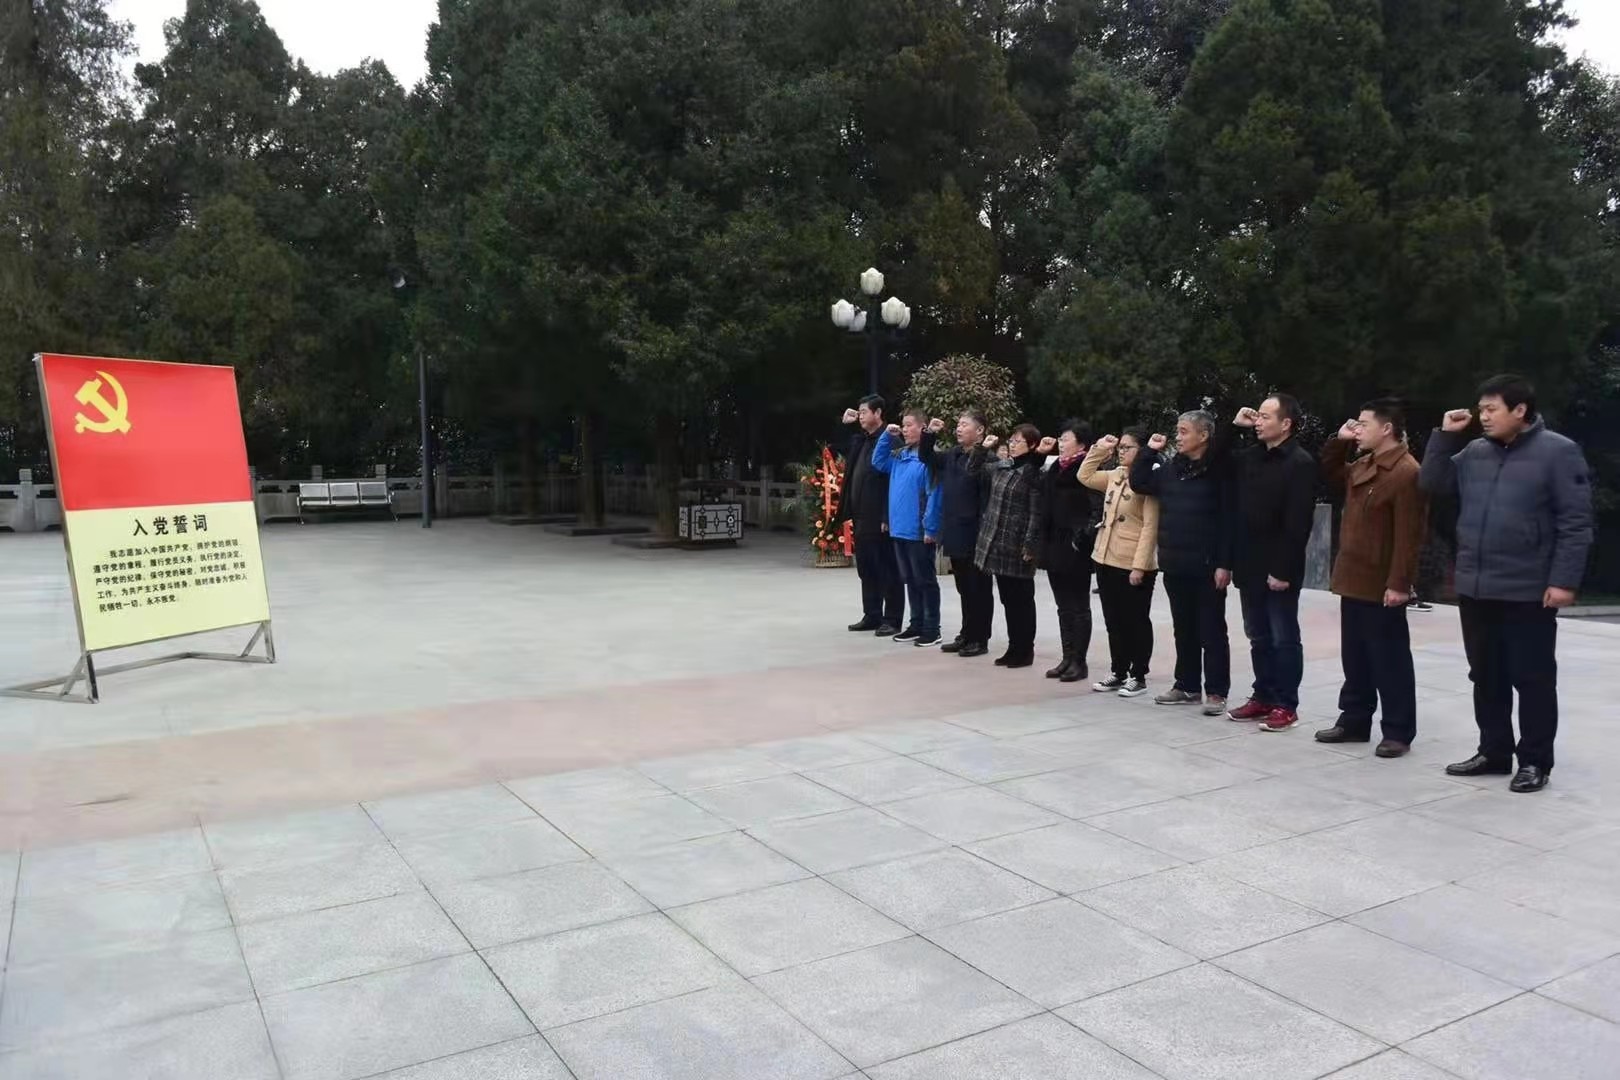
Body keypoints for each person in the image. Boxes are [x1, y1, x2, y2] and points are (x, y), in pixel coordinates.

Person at [1420, 374, 1594, 793]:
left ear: (1520, 410)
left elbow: (1576, 523)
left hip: (1528, 588)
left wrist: (1563, 581)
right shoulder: (1475, 452)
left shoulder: (1559, 452)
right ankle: (1494, 752)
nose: (1483, 417)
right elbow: (1431, 483)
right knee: (1486, 675)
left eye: (1491, 409)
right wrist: (1445, 436)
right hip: (1476, 586)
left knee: (1532, 679)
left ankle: (1534, 761)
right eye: (1480, 409)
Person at [1315, 400, 1425, 757]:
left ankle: (1397, 730)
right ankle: (1354, 719)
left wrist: (1399, 583)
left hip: (1381, 581)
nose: (1357, 429)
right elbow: (1331, 472)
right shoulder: (1364, 464)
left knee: (1389, 660)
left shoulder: (1406, 472)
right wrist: (1340, 441)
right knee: (1356, 656)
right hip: (1354, 575)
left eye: (1363, 424)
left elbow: (1409, 535)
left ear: (1387, 428)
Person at [1131, 411, 1235, 716]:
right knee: (1184, 629)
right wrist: (1149, 451)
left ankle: (1216, 691)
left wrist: (1224, 563)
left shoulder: (1218, 472)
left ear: (1203, 436)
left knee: (1211, 631)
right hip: (1175, 563)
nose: (1178, 437)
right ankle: (1186, 685)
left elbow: (1228, 520)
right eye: (1177, 431)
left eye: (1184, 431)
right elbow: (1139, 482)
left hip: (1207, 565)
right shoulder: (1170, 470)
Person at [1227, 395, 1317, 732]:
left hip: (1279, 567)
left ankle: (1285, 704)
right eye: (1258, 416)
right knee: (1258, 636)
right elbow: (1216, 461)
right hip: (1248, 562)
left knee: (1283, 637)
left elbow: (1298, 523)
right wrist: (1233, 427)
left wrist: (1282, 570)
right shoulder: (1251, 457)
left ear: (1286, 423)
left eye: (1266, 416)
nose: (1259, 422)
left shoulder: (1300, 462)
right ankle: (1262, 695)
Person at [1080, 429, 1161, 697]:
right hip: (1105, 556)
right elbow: (1085, 476)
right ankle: (1118, 671)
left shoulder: (1148, 480)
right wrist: (1101, 448)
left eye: (1128, 447)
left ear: (1142, 450)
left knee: (1135, 620)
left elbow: (1150, 527)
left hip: (1133, 562)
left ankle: (1138, 675)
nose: (1122, 451)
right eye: (1121, 447)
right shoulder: (1116, 475)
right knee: (1113, 620)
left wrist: (1140, 566)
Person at [922, 412, 995, 657]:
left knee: (979, 589)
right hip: (955, 530)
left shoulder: (987, 458)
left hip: (976, 533)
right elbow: (927, 457)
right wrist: (929, 434)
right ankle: (966, 633)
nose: (958, 428)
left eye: (965, 424)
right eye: (958, 424)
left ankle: (980, 638)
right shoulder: (954, 454)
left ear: (980, 430)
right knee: (964, 587)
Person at [972, 424, 1044, 668]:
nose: (1012, 445)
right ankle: (1014, 647)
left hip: (1017, 544)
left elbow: (1035, 512)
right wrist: (982, 448)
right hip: (997, 542)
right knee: (1008, 599)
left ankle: (1025, 650)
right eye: (1011, 441)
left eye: (1018, 441)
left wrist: (1030, 545)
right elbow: (973, 470)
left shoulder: (1033, 473)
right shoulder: (1003, 467)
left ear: (1032, 445)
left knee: (1022, 600)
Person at [1035, 421, 1100, 682]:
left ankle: (1079, 662)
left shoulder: (1087, 469)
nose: (1061, 443)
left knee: (1079, 606)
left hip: (1075, 547)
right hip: (1054, 544)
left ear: (1081, 444)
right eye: (1060, 439)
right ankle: (1067, 657)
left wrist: (1082, 537)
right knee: (1063, 606)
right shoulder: (1054, 468)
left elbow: (1096, 510)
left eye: (1066, 439)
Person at [872, 411, 944, 647]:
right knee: (911, 580)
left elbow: (934, 494)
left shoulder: (929, 459)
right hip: (900, 529)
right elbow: (878, 462)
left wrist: (930, 528)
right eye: (903, 425)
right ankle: (916, 624)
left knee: (925, 581)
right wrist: (886, 436)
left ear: (923, 427)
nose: (904, 429)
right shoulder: (900, 456)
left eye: (909, 425)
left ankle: (932, 628)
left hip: (919, 531)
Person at [834, 397, 903, 636]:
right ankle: (872, 614)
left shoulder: (892, 439)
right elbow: (837, 450)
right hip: (861, 515)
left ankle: (892, 618)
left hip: (880, 517)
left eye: (864, 411)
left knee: (888, 568)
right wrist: (845, 424)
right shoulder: (861, 440)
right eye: (860, 412)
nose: (861, 415)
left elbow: (895, 480)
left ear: (878, 412)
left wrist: (887, 515)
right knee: (866, 567)